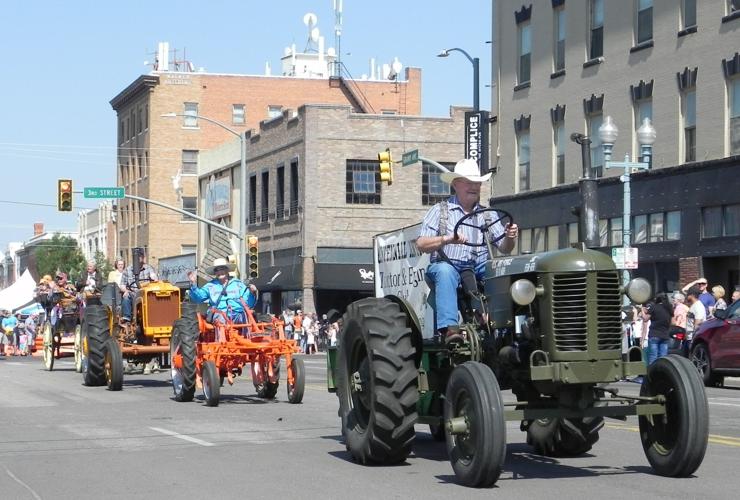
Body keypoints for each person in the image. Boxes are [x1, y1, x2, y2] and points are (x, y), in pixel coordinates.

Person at [416, 158, 518, 343]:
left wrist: (510, 236)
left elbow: (504, 248)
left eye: (477, 183)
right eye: (469, 183)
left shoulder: (488, 214)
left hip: (478, 268)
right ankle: (450, 330)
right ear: (456, 184)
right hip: (448, 265)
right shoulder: (439, 211)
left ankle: (502, 324)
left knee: (502, 269)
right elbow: (421, 244)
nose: (475, 187)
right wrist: (447, 239)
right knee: (445, 272)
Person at [187, 257, 258, 332]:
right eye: (217, 270)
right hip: (219, 314)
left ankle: (248, 340)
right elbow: (198, 298)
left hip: (237, 314)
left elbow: (248, 303)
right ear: (215, 273)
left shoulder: (238, 284)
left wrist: (252, 292)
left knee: (247, 316)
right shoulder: (210, 285)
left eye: (222, 269)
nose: (219, 272)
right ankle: (221, 342)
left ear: (227, 270)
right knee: (220, 318)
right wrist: (193, 284)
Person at [120, 248, 158, 322]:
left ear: (143, 257)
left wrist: (154, 277)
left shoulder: (149, 268)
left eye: (140, 256)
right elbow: (122, 285)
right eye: (137, 256)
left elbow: (154, 278)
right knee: (126, 297)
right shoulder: (128, 270)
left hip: (145, 294)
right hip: (133, 293)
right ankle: (127, 318)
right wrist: (125, 290)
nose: (139, 258)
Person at [642, 296, 672, 365]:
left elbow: (645, 319)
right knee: (664, 357)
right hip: (665, 335)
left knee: (653, 357)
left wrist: (642, 310)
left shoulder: (654, 307)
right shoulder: (669, 308)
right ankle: (662, 373)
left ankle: (652, 374)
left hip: (654, 334)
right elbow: (673, 322)